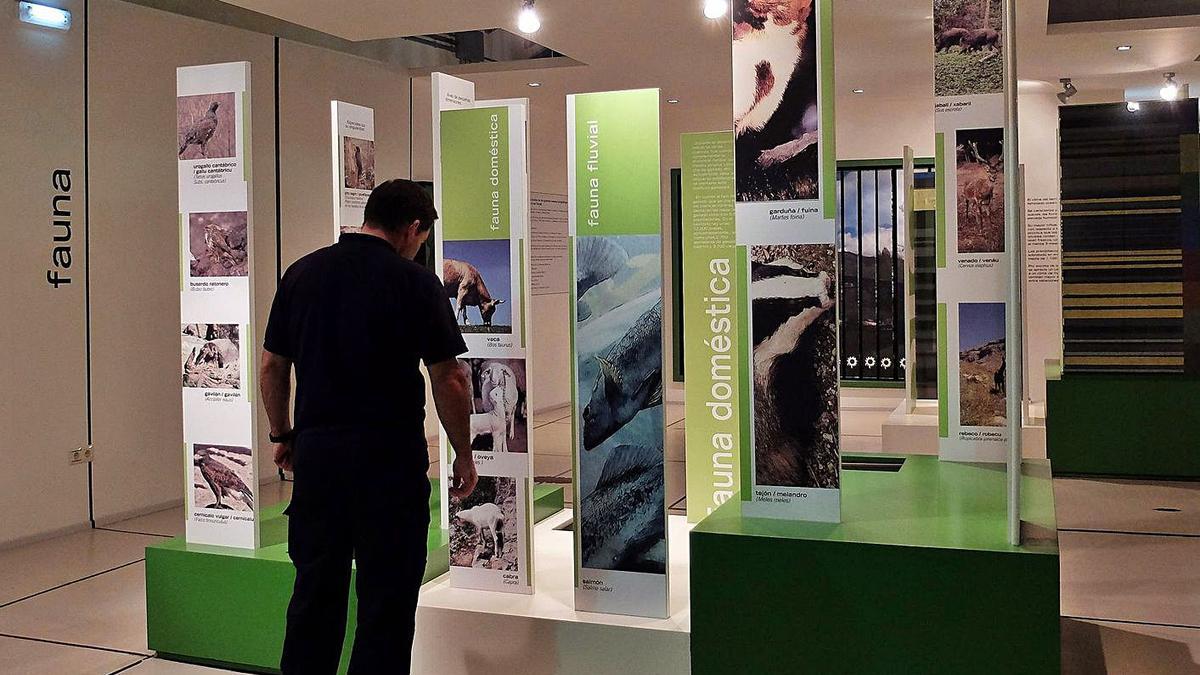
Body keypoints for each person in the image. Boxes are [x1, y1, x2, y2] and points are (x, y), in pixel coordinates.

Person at [259, 179, 478, 674]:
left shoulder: (302, 274)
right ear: (414, 227)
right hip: (389, 464)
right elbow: (451, 378)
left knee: (315, 594)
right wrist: (463, 452)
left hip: (319, 462)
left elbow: (273, 366)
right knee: (387, 602)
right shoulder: (416, 283)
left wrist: (283, 434)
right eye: (422, 239)